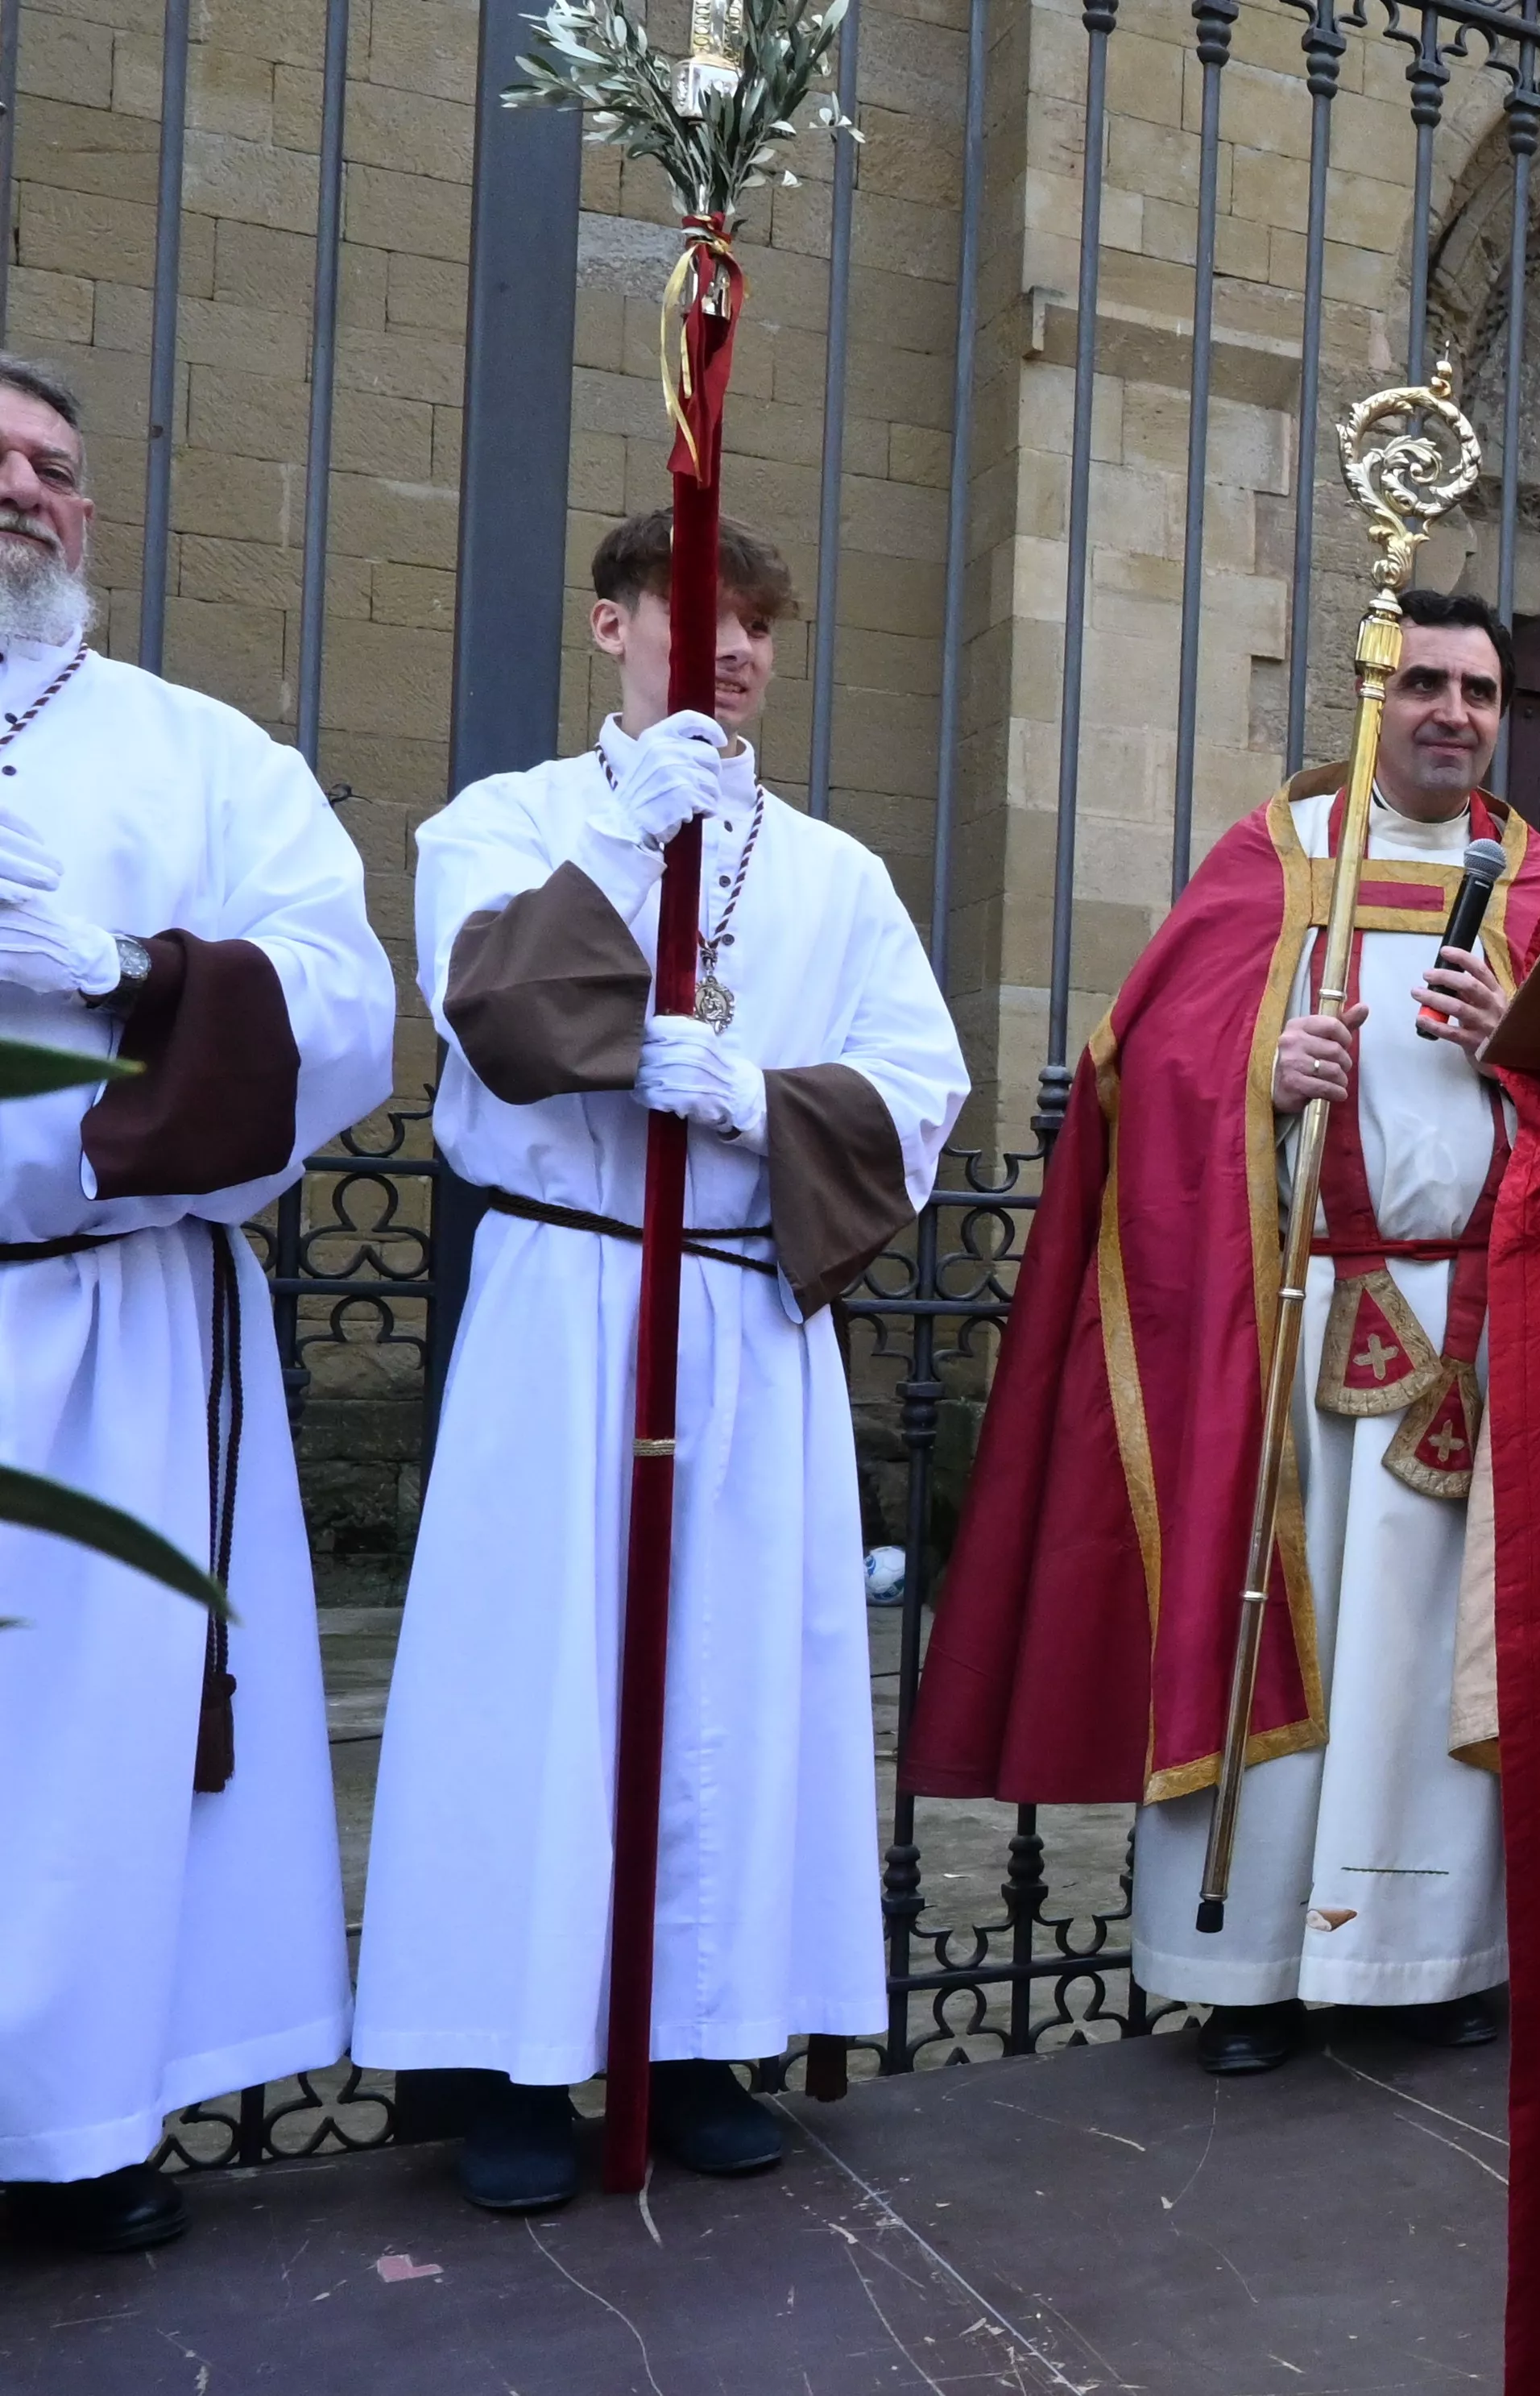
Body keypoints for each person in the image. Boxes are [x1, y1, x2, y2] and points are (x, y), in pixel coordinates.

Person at [350, 510, 966, 2209]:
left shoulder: (838, 874)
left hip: (741, 1312)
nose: (733, 652)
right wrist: (627, 841)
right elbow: (499, 1015)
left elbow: (919, 1091)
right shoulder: (505, 825)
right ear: (609, 623)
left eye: (756, 624)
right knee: (537, 1686)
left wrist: (760, 1100)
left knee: (729, 1685)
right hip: (565, 1304)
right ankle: (503, 2067)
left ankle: (699, 2039)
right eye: (696, 618)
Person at [909, 586, 1540, 2079]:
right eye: (1421, 686)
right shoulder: (1275, 867)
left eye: (1475, 689)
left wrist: (1510, 1046)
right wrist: (1264, 1070)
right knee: (1290, 1633)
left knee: (1424, 1656)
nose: (1451, 714)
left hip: (1474, 1331)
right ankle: (1249, 1965)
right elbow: (1143, 1067)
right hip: (1288, 1316)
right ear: (1371, 703)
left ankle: (1430, 1957)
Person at [0, 353, 395, 2253]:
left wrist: (137, 973)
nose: (26, 490)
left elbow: (345, 997)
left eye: (55, 467)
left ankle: (79, 2125)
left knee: (85, 1736)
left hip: (116, 1318)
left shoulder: (199, 753)